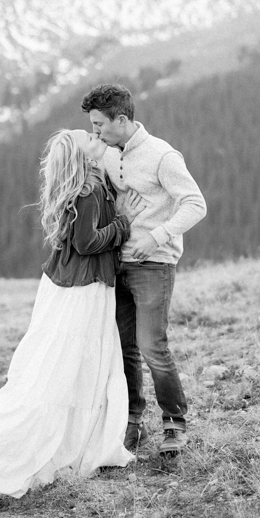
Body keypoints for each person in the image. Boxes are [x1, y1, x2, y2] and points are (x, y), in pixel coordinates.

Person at [0, 129, 134, 497]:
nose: (94, 136)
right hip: (84, 289)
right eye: (88, 138)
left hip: (65, 286)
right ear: (82, 157)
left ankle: (73, 438)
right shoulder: (89, 191)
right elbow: (87, 242)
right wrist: (122, 227)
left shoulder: (84, 186)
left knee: (61, 362)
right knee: (74, 363)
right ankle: (54, 443)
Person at [82, 83, 207, 455]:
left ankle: (174, 424)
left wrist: (158, 235)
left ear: (122, 119)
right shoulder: (107, 154)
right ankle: (131, 421)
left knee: (153, 346)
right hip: (115, 264)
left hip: (154, 264)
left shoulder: (162, 155)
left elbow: (195, 204)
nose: (95, 131)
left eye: (99, 124)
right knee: (124, 350)